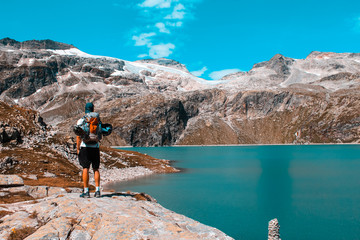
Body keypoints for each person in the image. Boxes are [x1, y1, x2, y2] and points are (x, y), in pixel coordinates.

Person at [76, 102, 101, 198]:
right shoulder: (97, 120)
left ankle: (86, 191)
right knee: (96, 169)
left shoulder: (81, 120)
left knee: (85, 168)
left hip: (84, 147)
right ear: (93, 109)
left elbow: (78, 137)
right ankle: (97, 191)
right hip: (95, 147)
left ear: (85, 109)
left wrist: (78, 148)